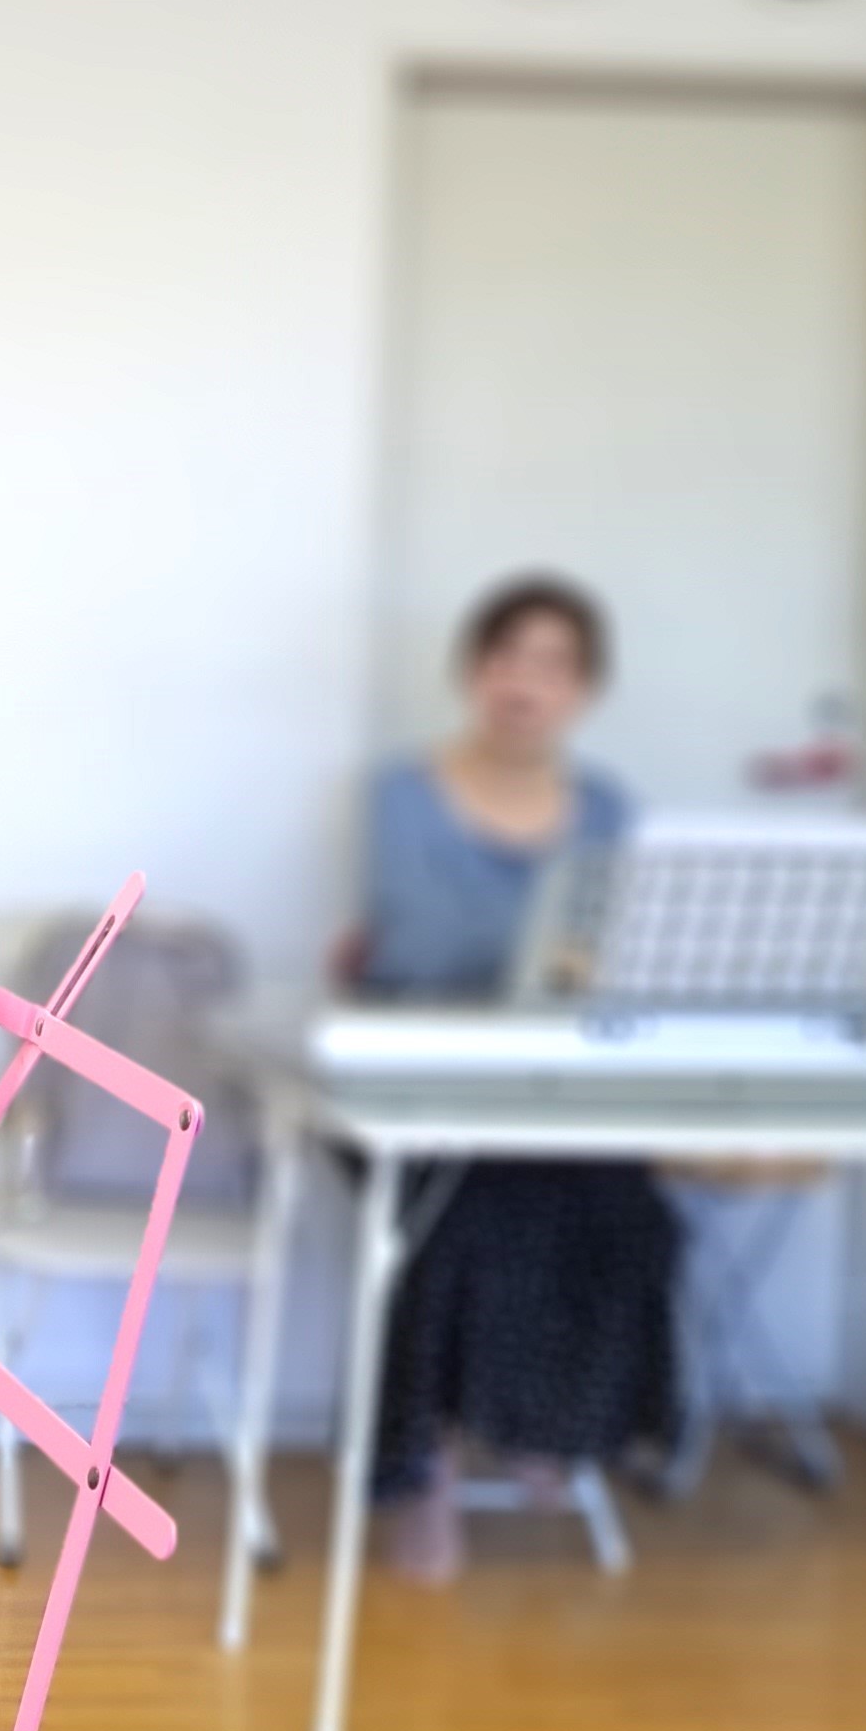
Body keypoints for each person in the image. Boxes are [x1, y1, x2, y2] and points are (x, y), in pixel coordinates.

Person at [341, 573, 678, 1581]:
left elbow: (626, 951)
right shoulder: (401, 795)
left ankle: (551, 1425)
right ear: (473, 670)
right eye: (505, 656)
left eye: (552, 663)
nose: (524, 682)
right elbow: (419, 939)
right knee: (458, 1212)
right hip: (414, 1081)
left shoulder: (609, 811)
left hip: (558, 1086)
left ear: (584, 688)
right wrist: (551, 955)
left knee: (627, 1207)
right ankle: (429, 1468)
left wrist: (574, 965)